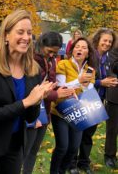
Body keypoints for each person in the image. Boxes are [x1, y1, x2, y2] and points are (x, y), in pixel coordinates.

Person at [0, 9, 54, 174]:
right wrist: (28, 101)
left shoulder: (33, 70)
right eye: (20, 32)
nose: (26, 37)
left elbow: (30, 116)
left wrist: (38, 99)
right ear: (6, 36)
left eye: (29, 33)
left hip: (14, 146)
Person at [22, 32, 75, 174]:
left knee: (34, 150)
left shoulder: (51, 60)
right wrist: (56, 94)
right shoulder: (31, 59)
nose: (52, 55)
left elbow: (50, 83)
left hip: (44, 111)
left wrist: (62, 89)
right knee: (24, 151)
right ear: (41, 44)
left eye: (55, 52)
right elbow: (32, 88)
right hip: (32, 111)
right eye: (50, 51)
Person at [70, 28, 118, 174]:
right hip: (85, 98)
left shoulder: (106, 59)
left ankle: (84, 163)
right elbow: (85, 81)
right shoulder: (91, 57)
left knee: (89, 134)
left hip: (98, 99)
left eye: (110, 41)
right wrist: (101, 83)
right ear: (97, 40)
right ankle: (72, 163)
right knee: (79, 132)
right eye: (105, 40)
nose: (107, 43)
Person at [50, 37, 96, 174]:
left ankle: (62, 171)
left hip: (78, 112)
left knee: (73, 147)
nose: (80, 49)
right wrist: (79, 82)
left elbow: (89, 90)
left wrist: (84, 87)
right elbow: (61, 87)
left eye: (83, 47)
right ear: (72, 50)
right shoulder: (63, 64)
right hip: (61, 111)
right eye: (77, 47)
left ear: (88, 53)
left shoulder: (90, 70)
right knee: (62, 147)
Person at [104, 32, 118, 169]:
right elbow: (114, 67)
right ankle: (109, 155)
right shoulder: (115, 45)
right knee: (113, 128)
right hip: (116, 94)